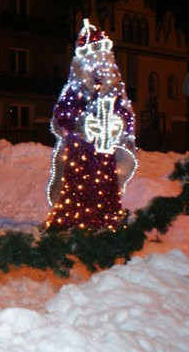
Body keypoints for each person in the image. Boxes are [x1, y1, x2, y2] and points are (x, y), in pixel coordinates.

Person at [45, 19, 137, 231]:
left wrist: (118, 124)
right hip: (81, 150)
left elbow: (126, 115)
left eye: (102, 54)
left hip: (106, 150)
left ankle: (106, 220)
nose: (99, 60)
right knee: (79, 186)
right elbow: (61, 115)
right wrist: (81, 123)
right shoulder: (75, 88)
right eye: (94, 54)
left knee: (104, 185)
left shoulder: (114, 86)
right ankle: (74, 221)